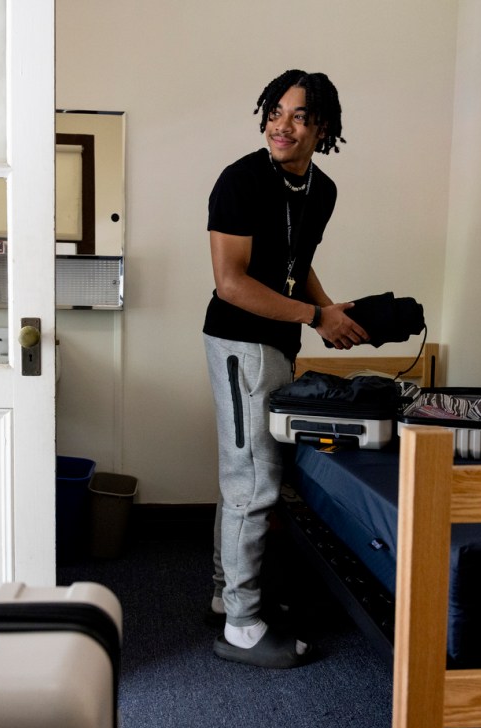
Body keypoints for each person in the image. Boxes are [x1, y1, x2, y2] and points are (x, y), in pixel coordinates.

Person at [203, 69, 368, 668]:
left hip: (279, 342)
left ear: (322, 128)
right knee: (254, 479)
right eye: (276, 110)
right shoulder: (240, 181)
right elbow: (230, 284)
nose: (282, 124)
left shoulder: (320, 189)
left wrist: (327, 311)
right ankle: (244, 627)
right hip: (239, 342)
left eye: (299, 116)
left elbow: (299, 263)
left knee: (243, 473)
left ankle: (229, 595)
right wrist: (313, 316)